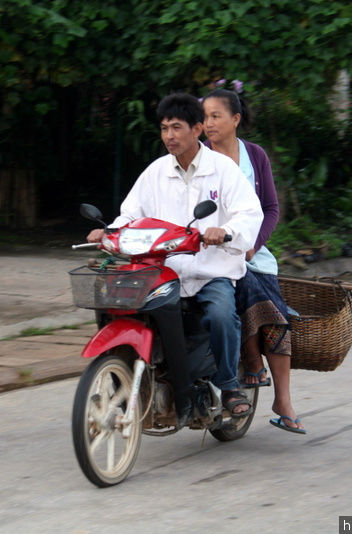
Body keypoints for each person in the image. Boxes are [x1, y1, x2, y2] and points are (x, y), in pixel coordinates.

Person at [87, 92, 263, 421]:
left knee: (221, 313)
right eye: (165, 128)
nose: (170, 135)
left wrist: (223, 232)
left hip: (211, 270)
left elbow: (248, 214)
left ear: (197, 129)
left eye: (177, 127)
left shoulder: (223, 170)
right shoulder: (155, 172)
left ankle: (228, 384)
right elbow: (129, 215)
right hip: (163, 272)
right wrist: (108, 233)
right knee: (122, 306)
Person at [202, 88, 306, 434]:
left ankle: (284, 401)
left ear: (235, 119)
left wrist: (251, 245)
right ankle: (249, 361)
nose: (208, 123)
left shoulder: (255, 156)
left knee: (276, 315)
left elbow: (271, 209)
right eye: (204, 117)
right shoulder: (197, 158)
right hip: (208, 257)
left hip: (253, 255)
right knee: (240, 295)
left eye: (216, 116)